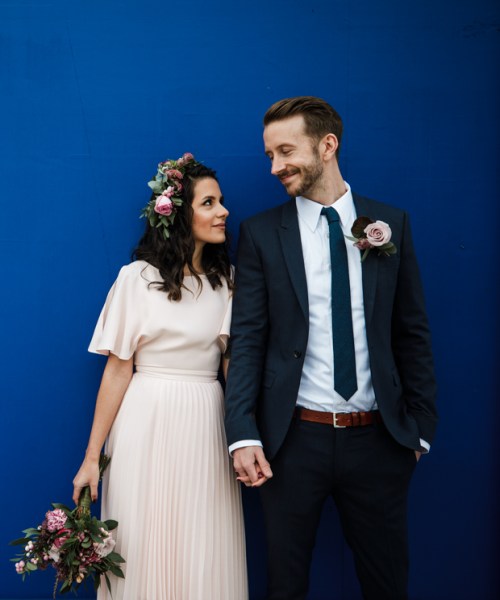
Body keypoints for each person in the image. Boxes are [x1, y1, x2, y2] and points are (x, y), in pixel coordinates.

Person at [224, 97, 438, 600]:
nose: (275, 167)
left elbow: (413, 333)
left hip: (380, 442)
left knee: (387, 584)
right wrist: (242, 433)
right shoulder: (260, 234)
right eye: (269, 156)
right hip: (292, 442)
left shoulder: (391, 224)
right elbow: (248, 339)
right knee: (285, 584)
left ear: (327, 145)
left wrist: (420, 430)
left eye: (285, 151)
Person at [73, 153, 248, 600]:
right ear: (177, 213)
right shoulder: (136, 279)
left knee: (203, 540)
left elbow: (233, 368)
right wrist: (92, 458)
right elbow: (117, 370)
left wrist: (248, 439)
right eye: (209, 203)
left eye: (221, 201)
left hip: (206, 424)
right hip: (144, 424)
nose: (223, 211)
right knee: (142, 538)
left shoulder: (226, 281)